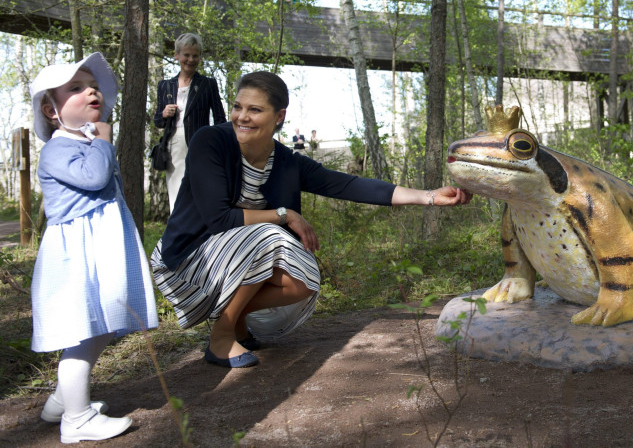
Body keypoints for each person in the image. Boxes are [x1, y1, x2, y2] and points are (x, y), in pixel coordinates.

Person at [150, 71, 472, 369]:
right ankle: (221, 338)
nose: (242, 117)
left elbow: (349, 185)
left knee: (303, 277)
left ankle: (237, 319)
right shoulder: (211, 142)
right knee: (269, 235)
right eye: (237, 107)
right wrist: (284, 214)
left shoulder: (288, 162)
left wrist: (429, 196)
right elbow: (219, 219)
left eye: (255, 110)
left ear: (279, 117)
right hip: (187, 261)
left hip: (229, 259)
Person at [28, 52, 158, 443]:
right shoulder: (57, 148)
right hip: (75, 255)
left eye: (94, 86)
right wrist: (103, 139)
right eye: (76, 88)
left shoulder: (83, 139)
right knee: (83, 334)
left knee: (101, 327)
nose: (91, 91)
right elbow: (96, 176)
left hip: (99, 247)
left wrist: (97, 139)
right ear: (52, 111)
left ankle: (61, 401)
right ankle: (77, 420)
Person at [153, 33, 226, 213]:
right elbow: (157, 121)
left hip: (200, 146)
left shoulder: (208, 84)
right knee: (176, 193)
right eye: (186, 55)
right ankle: (178, 235)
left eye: (195, 55)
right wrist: (164, 113)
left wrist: (216, 146)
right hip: (173, 147)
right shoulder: (165, 85)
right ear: (177, 55)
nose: (191, 59)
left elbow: (220, 119)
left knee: (200, 193)